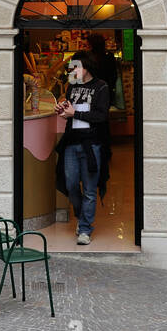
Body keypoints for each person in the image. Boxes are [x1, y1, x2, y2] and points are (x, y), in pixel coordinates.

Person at [54, 52, 110, 245]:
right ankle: (81, 215)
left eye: (75, 67)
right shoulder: (72, 87)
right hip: (71, 142)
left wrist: (74, 113)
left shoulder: (101, 87)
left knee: (89, 189)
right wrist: (63, 111)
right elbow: (70, 111)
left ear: (85, 67)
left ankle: (85, 229)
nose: (72, 71)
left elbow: (101, 116)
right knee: (70, 184)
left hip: (92, 144)